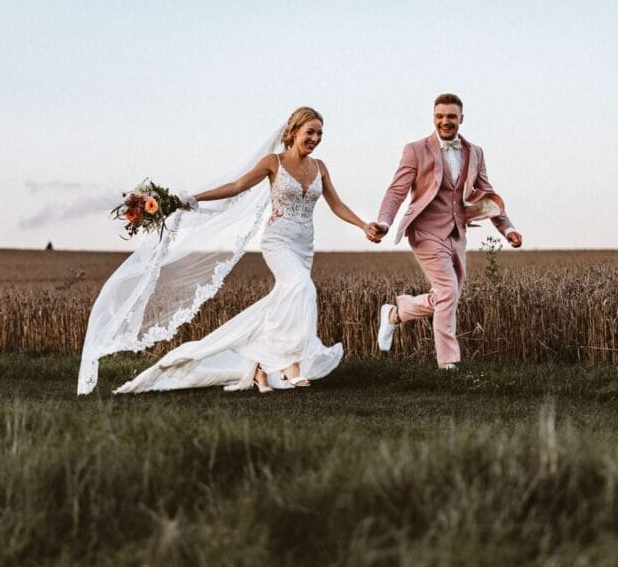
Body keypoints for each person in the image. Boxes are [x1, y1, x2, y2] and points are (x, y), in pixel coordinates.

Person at [114, 107, 376, 394]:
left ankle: (260, 368)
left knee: (285, 302)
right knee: (303, 288)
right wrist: (192, 199)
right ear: (294, 132)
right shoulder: (273, 162)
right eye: (310, 132)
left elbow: (336, 204)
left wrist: (364, 225)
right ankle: (290, 363)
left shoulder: (320, 167)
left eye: (320, 133)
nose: (315, 138)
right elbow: (237, 186)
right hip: (278, 242)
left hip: (304, 247)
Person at [368, 93, 522, 370]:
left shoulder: (475, 153)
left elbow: (486, 194)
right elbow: (396, 191)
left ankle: (396, 313)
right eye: (439, 116)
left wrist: (507, 229)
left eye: (451, 116)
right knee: (448, 291)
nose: (445, 121)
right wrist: (384, 223)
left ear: (462, 119)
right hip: (425, 232)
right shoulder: (415, 150)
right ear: (433, 117)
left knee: (447, 297)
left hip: (457, 234)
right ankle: (448, 363)